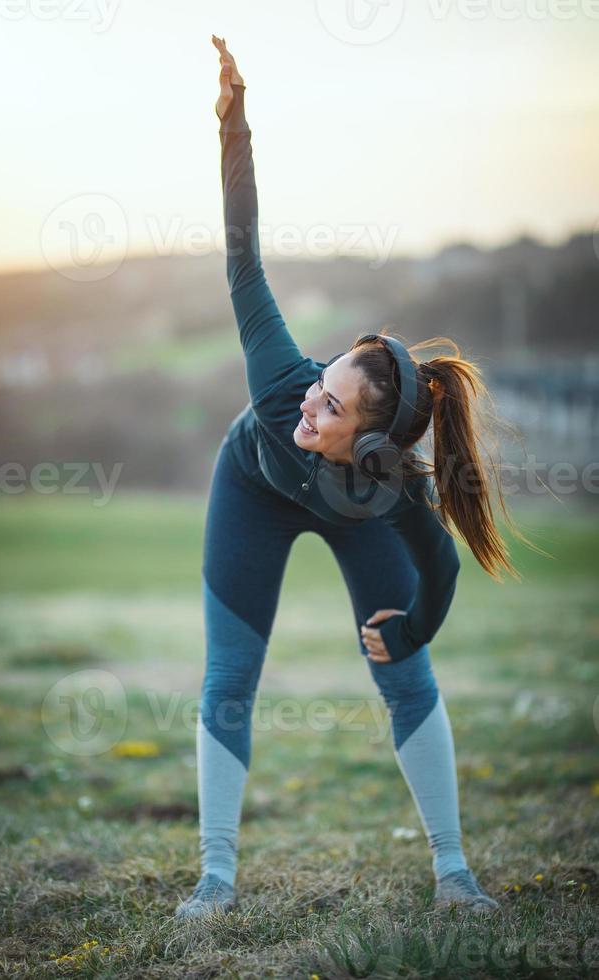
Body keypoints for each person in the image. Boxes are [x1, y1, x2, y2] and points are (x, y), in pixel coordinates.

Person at [174, 35, 532, 921]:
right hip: (249, 493)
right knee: (229, 678)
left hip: (352, 517)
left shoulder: (391, 490)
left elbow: (441, 572)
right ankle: (215, 881)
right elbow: (243, 256)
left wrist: (411, 631)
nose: (311, 407)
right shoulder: (276, 390)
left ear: (373, 448)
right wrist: (235, 126)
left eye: (330, 410)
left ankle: (454, 874)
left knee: (407, 678)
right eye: (323, 384)